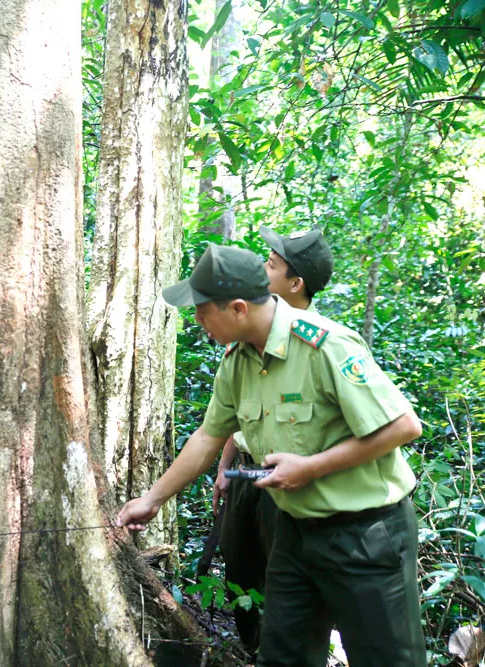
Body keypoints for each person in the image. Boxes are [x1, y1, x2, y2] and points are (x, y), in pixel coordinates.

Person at [118, 243, 426, 666]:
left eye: (203, 311)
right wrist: (152, 499)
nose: (198, 321)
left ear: (239, 308)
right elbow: (209, 436)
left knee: (387, 660)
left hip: (366, 535)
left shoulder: (326, 346)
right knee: (283, 656)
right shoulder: (237, 360)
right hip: (295, 533)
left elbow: (404, 426)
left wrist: (311, 467)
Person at [212, 226, 333, 656]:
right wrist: (225, 470)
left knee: (282, 574)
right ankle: (250, 648)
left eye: (272, 264)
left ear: (295, 283)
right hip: (245, 471)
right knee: (238, 565)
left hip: (286, 481)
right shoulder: (247, 338)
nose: (264, 267)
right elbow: (234, 413)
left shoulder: (320, 342)